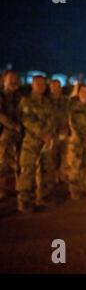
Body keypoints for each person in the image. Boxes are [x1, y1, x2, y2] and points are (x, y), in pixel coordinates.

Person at [16, 75, 55, 212]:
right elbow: (27, 121)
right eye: (38, 84)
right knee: (28, 171)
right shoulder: (26, 101)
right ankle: (24, 201)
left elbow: (52, 119)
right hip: (31, 142)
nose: (41, 86)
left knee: (46, 169)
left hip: (46, 142)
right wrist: (43, 134)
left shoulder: (47, 102)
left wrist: (49, 134)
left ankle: (43, 197)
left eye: (43, 84)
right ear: (32, 85)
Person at [0, 71, 22, 200]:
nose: (13, 81)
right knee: (3, 163)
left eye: (15, 79)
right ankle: (2, 189)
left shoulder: (19, 96)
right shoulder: (2, 95)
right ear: (4, 80)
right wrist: (13, 125)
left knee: (18, 161)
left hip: (18, 134)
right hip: (5, 134)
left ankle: (16, 187)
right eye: (10, 79)